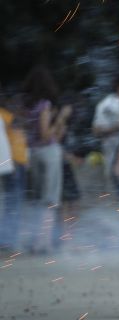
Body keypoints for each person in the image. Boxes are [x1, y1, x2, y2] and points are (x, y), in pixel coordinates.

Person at [23, 66, 72, 253]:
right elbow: (46, 135)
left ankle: (37, 241)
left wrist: (58, 128)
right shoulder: (44, 105)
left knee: (37, 199)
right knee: (50, 200)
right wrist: (60, 118)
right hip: (48, 153)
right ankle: (44, 244)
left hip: (32, 154)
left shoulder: (27, 107)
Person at [0, 98, 28, 253]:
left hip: (14, 162)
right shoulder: (3, 115)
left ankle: (7, 240)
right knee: (14, 203)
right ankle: (8, 241)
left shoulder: (5, 115)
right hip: (14, 162)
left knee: (12, 202)